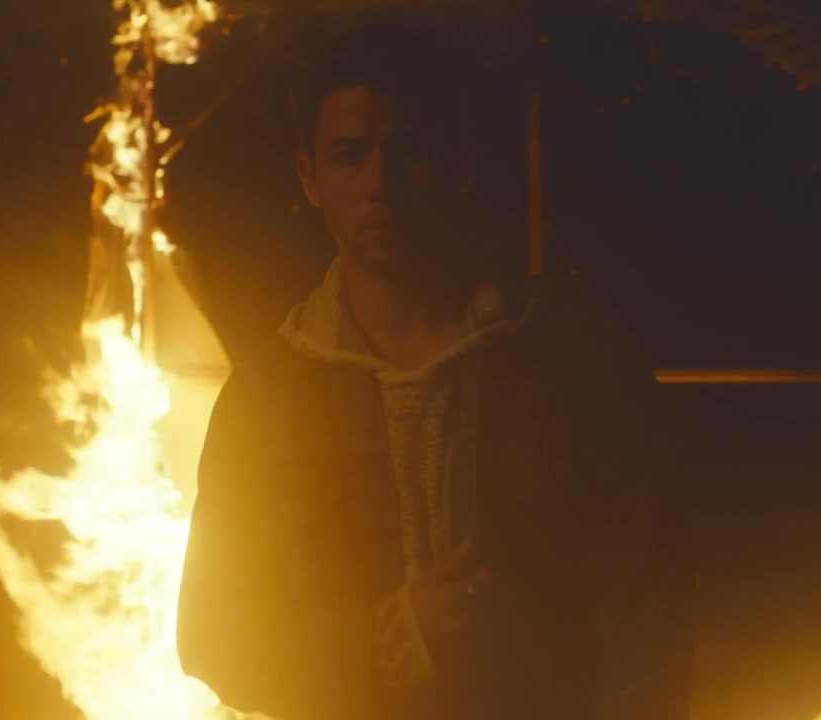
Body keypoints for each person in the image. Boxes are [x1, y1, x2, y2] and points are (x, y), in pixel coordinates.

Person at [177, 22, 693, 720]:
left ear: (460, 163)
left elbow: (654, 613)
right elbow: (213, 635)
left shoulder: (574, 362)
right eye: (350, 156)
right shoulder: (267, 400)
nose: (379, 185)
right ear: (309, 177)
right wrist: (389, 640)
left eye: (409, 151)